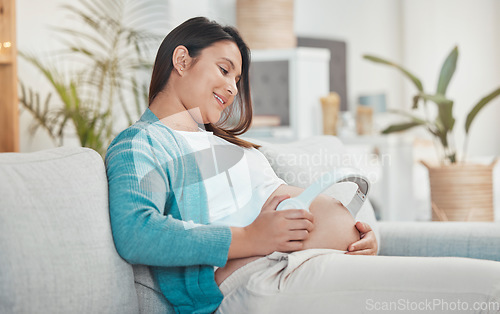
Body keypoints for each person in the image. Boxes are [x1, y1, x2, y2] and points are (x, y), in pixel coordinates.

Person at [106, 17, 500, 314]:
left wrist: (358, 237)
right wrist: (251, 238)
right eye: (224, 69)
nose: (232, 88)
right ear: (181, 60)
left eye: (238, 79)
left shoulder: (219, 143)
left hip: (303, 262)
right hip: (258, 278)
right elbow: (137, 231)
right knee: (485, 290)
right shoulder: (141, 144)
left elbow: (281, 200)